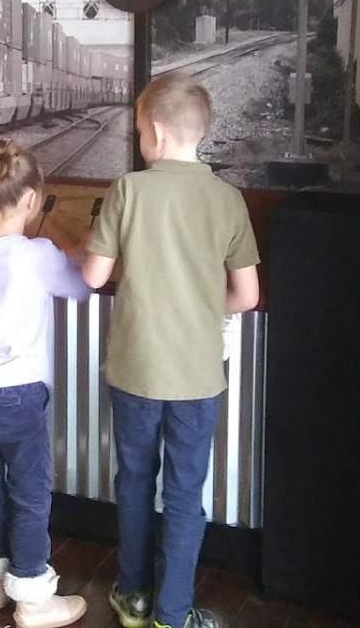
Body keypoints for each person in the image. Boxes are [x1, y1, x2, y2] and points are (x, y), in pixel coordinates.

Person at [82, 72, 261, 628]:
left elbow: (93, 276)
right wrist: (202, 304)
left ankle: (133, 595)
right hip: (196, 376)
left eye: (138, 131)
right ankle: (172, 615)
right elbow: (247, 296)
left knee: (135, 481)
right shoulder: (228, 200)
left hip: (135, 369)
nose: (140, 141)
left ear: (156, 132)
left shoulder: (129, 190)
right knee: (185, 493)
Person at [0, 139, 91, 628]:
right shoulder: (38, 254)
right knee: (31, 491)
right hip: (18, 392)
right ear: (33, 199)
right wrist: (80, 252)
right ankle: (33, 596)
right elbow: (80, 286)